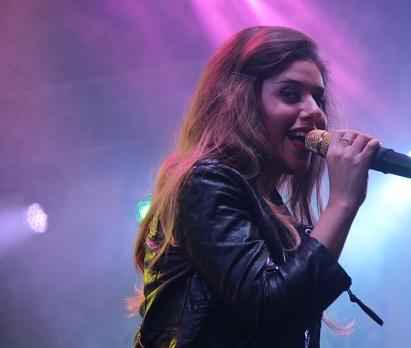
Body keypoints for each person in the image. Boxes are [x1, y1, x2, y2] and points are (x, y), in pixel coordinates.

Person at [130, 25, 381, 347]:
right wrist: (343, 202)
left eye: (318, 98)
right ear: (241, 102)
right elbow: (275, 311)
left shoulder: (271, 213)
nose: (315, 112)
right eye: (290, 94)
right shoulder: (204, 182)